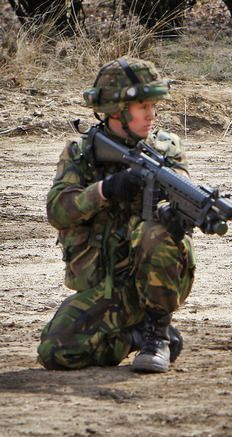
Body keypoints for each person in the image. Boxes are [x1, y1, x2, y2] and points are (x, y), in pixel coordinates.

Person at [37, 57, 195, 373]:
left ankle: (157, 335)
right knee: (55, 351)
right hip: (107, 288)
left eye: (153, 106)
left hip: (153, 284)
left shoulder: (166, 150)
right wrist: (106, 190)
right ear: (116, 110)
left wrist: (180, 218)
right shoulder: (81, 153)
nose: (151, 114)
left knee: (157, 232)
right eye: (142, 107)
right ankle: (133, 336)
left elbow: (183, 192)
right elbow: (58, 211)